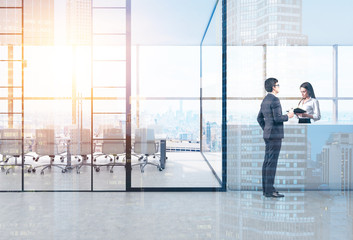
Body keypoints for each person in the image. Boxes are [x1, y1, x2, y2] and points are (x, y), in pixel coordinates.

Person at [257, 78, 294, 198]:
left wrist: (266, 128)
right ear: (273, 87)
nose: (279, 87)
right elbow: (278, 118)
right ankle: (270, 191)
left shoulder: (265, 100)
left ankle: (266, 190)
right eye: (278, 85)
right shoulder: (275, 100)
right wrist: (288, 115)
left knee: (267, 162)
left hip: (267, 134)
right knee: (272, 163)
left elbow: (259, 118)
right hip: (275, 135)